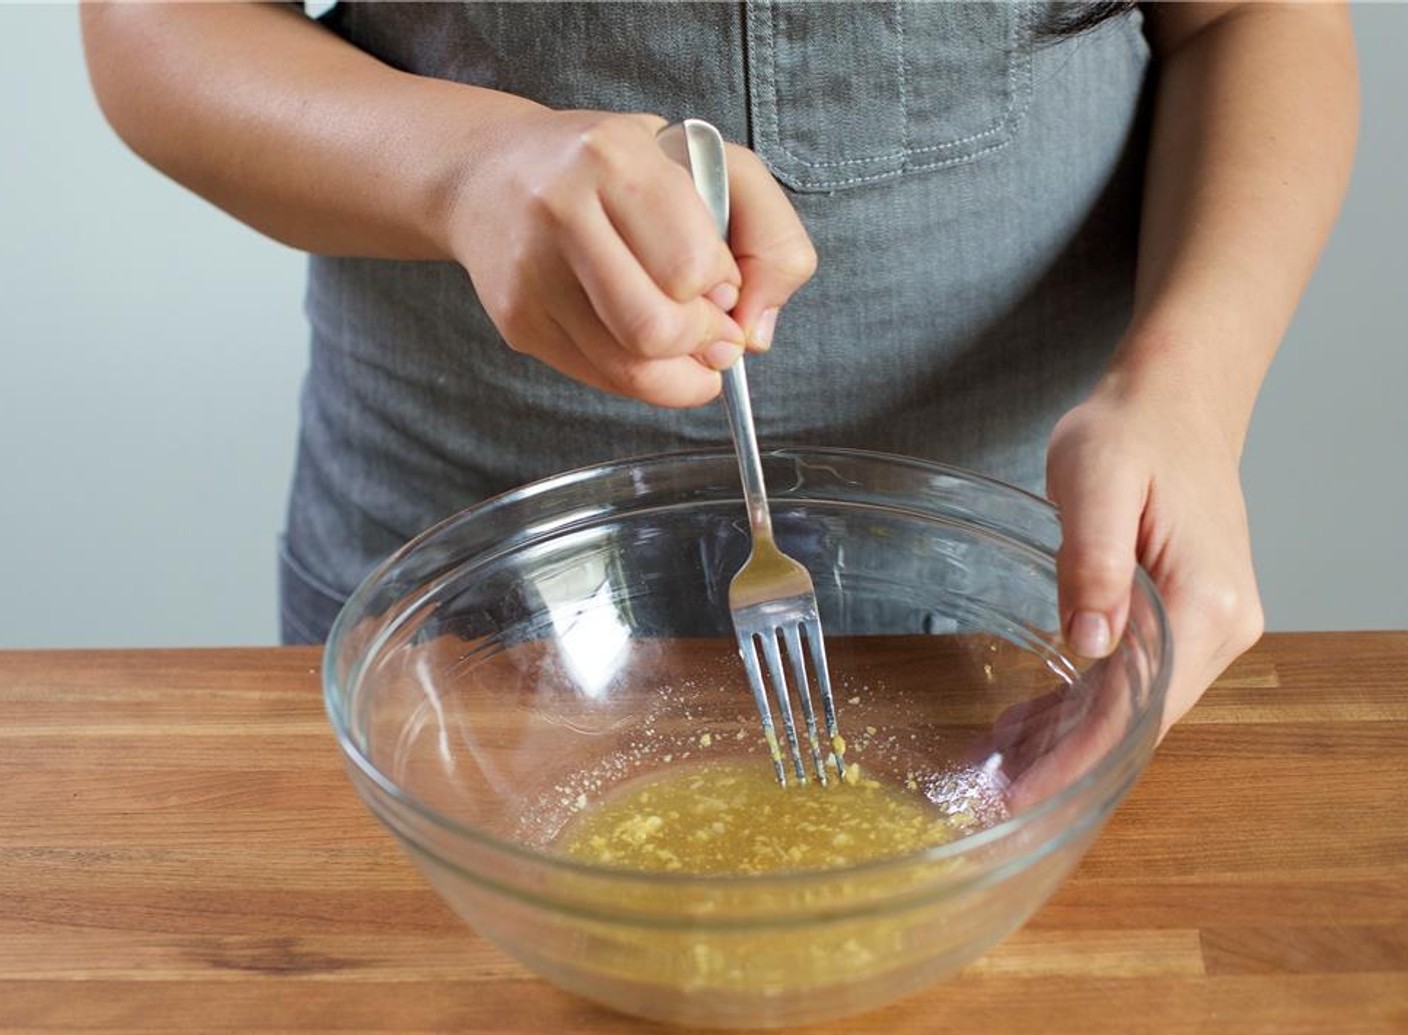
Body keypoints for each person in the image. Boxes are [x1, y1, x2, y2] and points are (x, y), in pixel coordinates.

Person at [80, 2, 1358, 737]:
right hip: (461, 557)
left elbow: (1257, 15)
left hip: (1025, 557)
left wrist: (1185, 391)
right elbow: (152, 24)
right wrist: (464, 167)